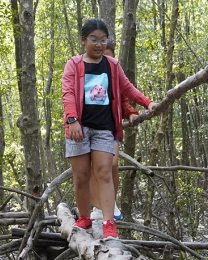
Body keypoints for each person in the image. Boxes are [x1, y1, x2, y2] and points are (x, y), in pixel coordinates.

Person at [62, 19, 157, 239]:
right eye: (93, 39)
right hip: (79, 128)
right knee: (81, 176)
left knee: (104, 173)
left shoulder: (112, 66)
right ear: (83, 40)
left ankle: (108, 223)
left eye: (103, 40)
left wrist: (147, 103)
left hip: (105, 128)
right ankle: (84, 218)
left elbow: (128, 89)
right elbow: (67, 93)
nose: (99, 44)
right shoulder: (74, 65)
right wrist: (72, 119)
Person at [89, 38, 140, 221]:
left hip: (111, 128)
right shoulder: (89, 75)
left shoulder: (114, 74)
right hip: (92, 128)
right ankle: (98, 207)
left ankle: (110, 202)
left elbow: (124, 100)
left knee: (111, 163)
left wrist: (132, 113)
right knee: (95, 167)